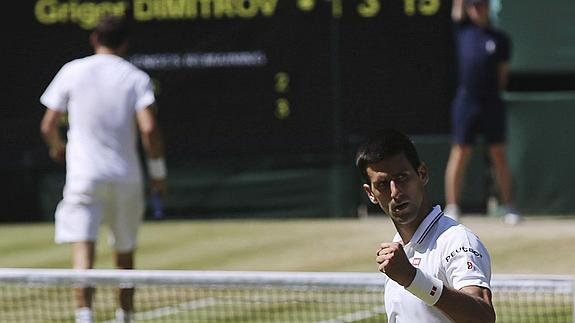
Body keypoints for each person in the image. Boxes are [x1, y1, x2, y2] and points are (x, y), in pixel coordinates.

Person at [39, 15, 167, 323]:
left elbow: (47, 126)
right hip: (127, 178)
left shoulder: (72, 71)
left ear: (95, 39)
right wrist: (158, 173)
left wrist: (58, 148)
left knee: (83, 255)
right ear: (124, 43)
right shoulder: (135, 77)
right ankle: (125, 317)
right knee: (125, 256)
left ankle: (85, 317)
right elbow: (149, 130)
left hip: (84, 178)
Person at [356, 128, 495, 322]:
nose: (395, 192)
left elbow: (483, 317)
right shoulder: (398, 250)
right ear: (370, 193)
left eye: (402, 178)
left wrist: (413, 278)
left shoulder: (457, 240)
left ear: (422, 174)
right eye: (383, 184)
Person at [445, 0, 521, 224]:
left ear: (489, 8)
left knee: (498, 154)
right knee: (460, 153)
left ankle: (509, 206)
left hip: (491, 103)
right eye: (472, 5)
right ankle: (453, 207)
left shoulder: (501, 40)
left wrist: (491, 96)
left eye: (481, 5)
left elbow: (502, 76)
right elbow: (457, 8)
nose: (476, 9)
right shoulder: (462, 32)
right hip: (466, 102)